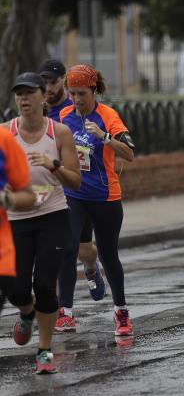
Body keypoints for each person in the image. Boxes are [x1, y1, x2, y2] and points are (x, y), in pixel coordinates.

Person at [4, 72, 81, 373]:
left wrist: (53, 165)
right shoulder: (5, 133)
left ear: (42, 96)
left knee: (46, 285)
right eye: (19, 94)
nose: (23, 99)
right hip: (15, 220)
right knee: (16, 288)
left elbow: (75, 182)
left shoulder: (59, 133)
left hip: (53, 216)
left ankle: (45, 349)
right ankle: (26, 312)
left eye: (29, 93)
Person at [57, 64, 136, 336]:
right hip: (74, 195)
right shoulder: (65, 116)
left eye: (82, 94)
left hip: (105, 196)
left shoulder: (108, 116)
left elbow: (130, 153)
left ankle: (121, 312)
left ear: (94, 90)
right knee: (67, 248)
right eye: (73, 93)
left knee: (108, 254)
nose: (77, 100)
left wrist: (104, 137)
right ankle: (65, 312)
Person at [40, 59, 105, 303]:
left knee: (83, 248)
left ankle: (91, 266)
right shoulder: (38, 110)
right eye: (44, 82)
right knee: (55, 247)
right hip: (49, 187)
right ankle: (59, 308)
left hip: (77, 187)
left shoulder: (74, 108)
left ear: (63, 84)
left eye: (53, 82)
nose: (48, 88)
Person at [0, 121, 36, 327]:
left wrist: (7, 200)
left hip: (1, 252)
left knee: (18, 291)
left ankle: (28, 310)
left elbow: (28, 195)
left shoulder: (3, 140)